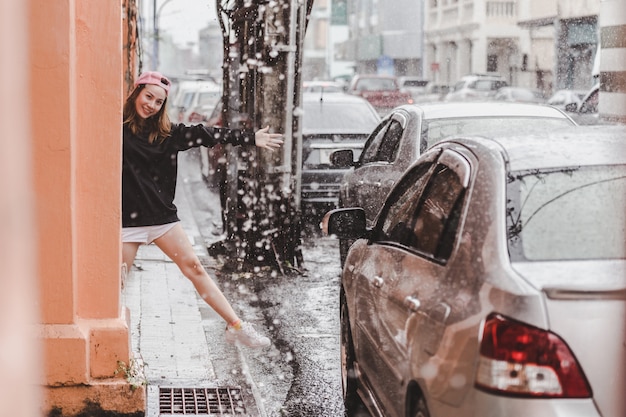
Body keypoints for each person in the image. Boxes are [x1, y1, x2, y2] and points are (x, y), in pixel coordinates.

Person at [121, 71, 283, 348]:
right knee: (116, 280)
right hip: (127, 222)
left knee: (195, 268)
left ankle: (237, 326)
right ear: (136, 93)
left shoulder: (168, 134)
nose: (151, 104)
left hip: (161, 219)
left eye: (159, 101)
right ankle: (115, 334)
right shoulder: (116, 130)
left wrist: (250, 138)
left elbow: (208, 134)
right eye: (148, 96)